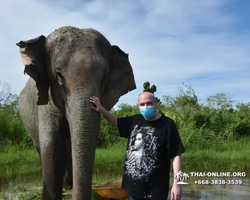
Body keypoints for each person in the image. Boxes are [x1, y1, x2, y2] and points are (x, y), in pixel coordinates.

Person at [90, 92, 185, 200]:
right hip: (133, 188)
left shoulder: (168, 125)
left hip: (156, 190)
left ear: (156, 103)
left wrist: (177, 184)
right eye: (142, 104)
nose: (146, 107)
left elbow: (176, 155)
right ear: (138, 106)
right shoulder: (135, 120)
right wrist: (101, 109)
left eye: (149, 103)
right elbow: (115, 121)